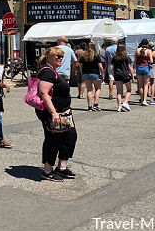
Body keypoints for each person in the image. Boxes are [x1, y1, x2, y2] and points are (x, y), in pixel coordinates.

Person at [36, 47, 78, 182]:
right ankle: (47, 171)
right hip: (53, 113)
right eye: (57, 56)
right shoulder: (47, 72)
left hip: (62, 111)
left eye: (61, 56)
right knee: (52, 140)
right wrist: (53, 113)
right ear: (48, 57)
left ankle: (62, 168)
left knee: (69, 137)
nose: (60, 58)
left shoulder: (52, 71)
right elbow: (44, 93)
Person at [78, 43, 104, 112]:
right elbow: (100, 67)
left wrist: (82, 73)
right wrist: (103, 74)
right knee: (98, 89)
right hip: (95, 74)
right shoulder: (96, 56)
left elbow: (80, 66)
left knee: (89, 90)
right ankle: (95, 104)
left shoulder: (83, 57)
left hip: (86, 74)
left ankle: (89, 106)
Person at [111, 45, 134, 112]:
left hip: (117, 75)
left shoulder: (114, 58)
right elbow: (129, 67)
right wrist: (132, 76)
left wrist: (113, 75)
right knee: (129, 90)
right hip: (125, 74)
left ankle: (119, 106)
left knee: (119, 92)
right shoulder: (126, 57)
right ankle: (125, 102)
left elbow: (113, 67)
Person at [134, 39, 153, 106]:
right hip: (146, 67)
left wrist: (134, 68)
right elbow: (151, 61)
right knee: (146, 85)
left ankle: (142, 100)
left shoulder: (137, 50)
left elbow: (135, 60)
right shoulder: (148, 51)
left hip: (139, 67)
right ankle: (145, 100)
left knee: (140, 85)